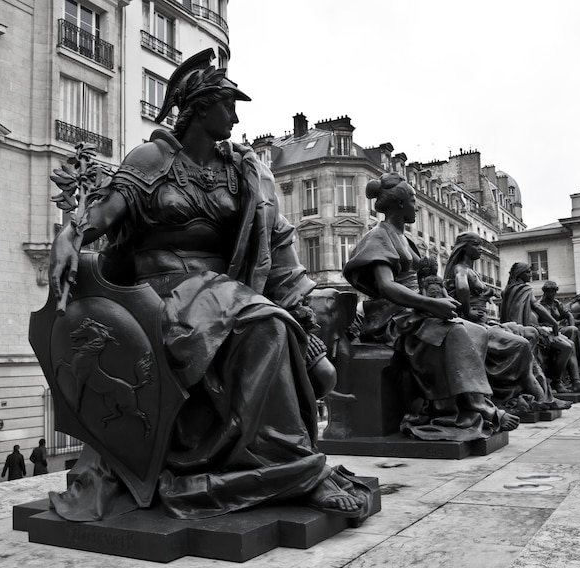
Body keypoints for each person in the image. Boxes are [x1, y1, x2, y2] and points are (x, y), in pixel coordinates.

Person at [48, 50, 371, 523]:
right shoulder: (153, 158)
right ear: (199, 107)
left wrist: (302, 298)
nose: (237, 116)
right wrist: (69, 235)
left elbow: (274, 239)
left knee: (294, 347)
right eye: (228, 104)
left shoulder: (239, 171)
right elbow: (103, 213)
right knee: (264, 328)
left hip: (223, 292)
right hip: (161, 291)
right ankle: (296, 469)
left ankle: (267, 461)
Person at [343, 172, 518, 442]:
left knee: (478, 332)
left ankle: (456, 405)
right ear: (400, 203)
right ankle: (481, 410)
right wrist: (431, 304)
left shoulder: (406, 239)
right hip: (393, 316)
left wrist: (435, 302)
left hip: (413, 311)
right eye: (413, 201)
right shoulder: (378, 236)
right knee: (454, 333)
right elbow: (387, 287)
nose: (417, 206)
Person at [444, 233, 562, 411]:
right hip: (476, 327)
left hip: (486, 323)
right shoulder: (461, 268)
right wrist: (467, 310)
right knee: (522, 344)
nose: (480, 249)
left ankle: (536, 390)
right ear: (464, 247)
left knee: (532, 333)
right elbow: (462, 286)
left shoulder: (472, 271)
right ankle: (537, 394)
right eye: (476, 245)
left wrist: (486, 294)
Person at [500, 263, 580, 393]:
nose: (530, 274)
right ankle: (557, 381)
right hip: (527, 329)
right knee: (567, 346)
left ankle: (573, 381)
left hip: (521, 328)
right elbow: (536, 307)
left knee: (569, 343)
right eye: (527, 272)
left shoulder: (509, 290)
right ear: (519, 273)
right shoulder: (524, 289)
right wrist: (554, 323)